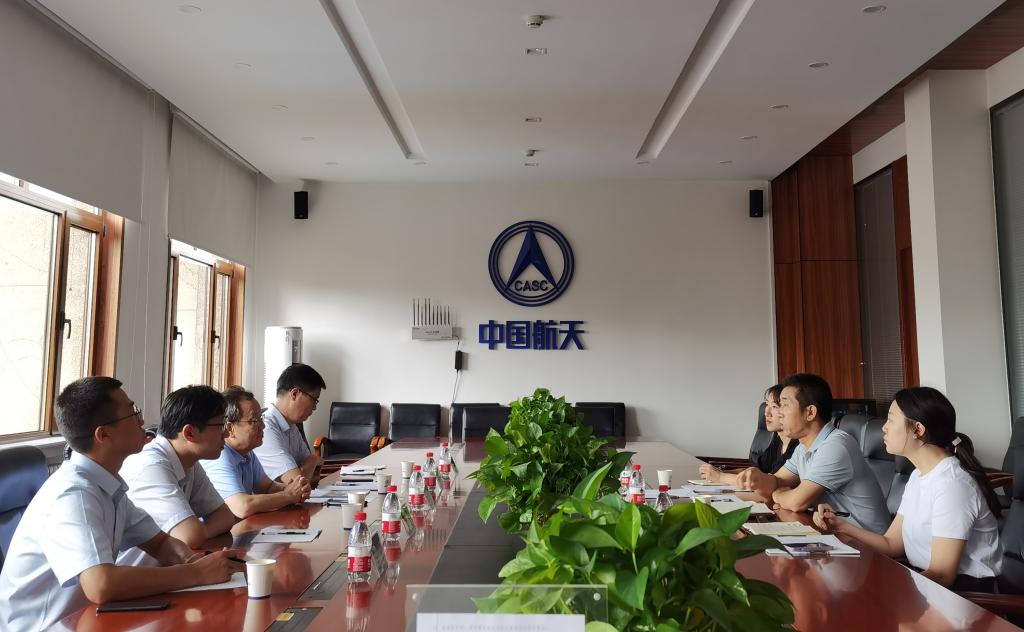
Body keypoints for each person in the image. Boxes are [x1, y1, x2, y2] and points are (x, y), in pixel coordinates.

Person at [0, 378, 242, 631]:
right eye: (133, 412)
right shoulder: (73, 494)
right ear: (103, 434)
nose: (142, 420)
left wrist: (193, 561)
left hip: (89, 620)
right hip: (47, 626)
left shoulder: (107, 485)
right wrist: (196, 574)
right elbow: (101, 585)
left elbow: (160, 543)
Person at [814, 387, 1002, 590]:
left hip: (963, 594)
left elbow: (942, 574)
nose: (884, 427)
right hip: (926, 582)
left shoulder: (952, 485)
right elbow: (891, 544)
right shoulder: (918, 475)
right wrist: (840, 526)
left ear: (918, 430)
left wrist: (892, 591)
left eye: (891, 420)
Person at [736, 373, 890, 534]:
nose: (779, 413)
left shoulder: (835, 446)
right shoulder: (803, 447)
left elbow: (797, 502)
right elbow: (778, 481)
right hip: (835, 533)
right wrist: (759, 478)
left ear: (810, 412)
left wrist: (778, 494)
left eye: (785, 405)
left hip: (865, 541)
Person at [119, 385, 237, 550]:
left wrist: (200, 533)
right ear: (189, 433)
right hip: (138, 566)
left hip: (171, 563)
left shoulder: (189, 461)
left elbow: (224, 517)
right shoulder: (150, 465)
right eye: (220, 426)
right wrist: (197, 534)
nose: (226, 433)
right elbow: (189, 536)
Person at [201, 386, 312, 518]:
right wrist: (289, 495)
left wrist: (296, 488)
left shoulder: (246, 453)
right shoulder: (219, 456)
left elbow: (268, 487)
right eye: (254, 420)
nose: (263, 426)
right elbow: (243, 507)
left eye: (261, 418)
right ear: (230, 428)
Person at [698, 384, 796, 484]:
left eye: (774, 406)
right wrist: (721, 473)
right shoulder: (778, 440)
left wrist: (721, 477)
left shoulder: (798, 447)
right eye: (767, 405)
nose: (766, 412)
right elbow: (756, 471)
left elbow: (767, 483)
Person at [253, 363, 325, 484]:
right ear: (295, 394)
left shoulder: (292, 426)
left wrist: (308, 467)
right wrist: (313, 460)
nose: (314, 408)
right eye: (314, 399)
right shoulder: (266, 429)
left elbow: (313, 473)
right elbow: (298, 482)